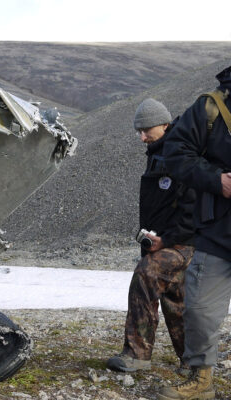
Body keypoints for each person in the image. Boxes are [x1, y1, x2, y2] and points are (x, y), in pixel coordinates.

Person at [157, 66, 231, 400]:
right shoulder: (211, 107)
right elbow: (174, 151)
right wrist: (218, 181)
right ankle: (201, 380)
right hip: (218, 230)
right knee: (200, 308)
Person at [107, 98, 195, 374]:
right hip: (167, 239)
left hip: (185, 242)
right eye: (139, 131)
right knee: (176, 298)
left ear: (165, 124)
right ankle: (194, 360)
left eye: (147, 130)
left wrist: (166, 240)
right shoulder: (160, 151)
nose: (142, 137)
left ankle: (137, 354)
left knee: (147, 274)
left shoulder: (180, 153)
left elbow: (194, 206)